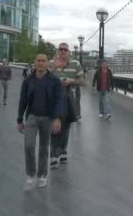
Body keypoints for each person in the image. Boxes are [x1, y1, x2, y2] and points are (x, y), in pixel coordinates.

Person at [17, 54, 63, 189]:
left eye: (43, 61)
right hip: (32, 117)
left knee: (43, 148)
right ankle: (31, 174)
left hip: (48, 118)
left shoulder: (54, 80)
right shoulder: (28, 80)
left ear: (48, 63)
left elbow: (59, 100)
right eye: (38, 60)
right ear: (34, 62)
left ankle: (42, 174)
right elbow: (23, 100)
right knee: (29, 145)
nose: (41, 63)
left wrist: (57, 118)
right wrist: (19, 119)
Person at [49, 42, 84, 169]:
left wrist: (71, 81)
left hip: (69, 96)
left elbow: (82, 81)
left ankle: (63, 150)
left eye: (65, 49)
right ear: (58, 51)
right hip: (54, 98)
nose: (63, 51)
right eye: (61, 49)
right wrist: (53, 68)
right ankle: (53, 154)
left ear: (69, 52)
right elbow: (42, 77)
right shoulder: (51, 62)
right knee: (54, 125)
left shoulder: (75, 64)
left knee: (66, 126)